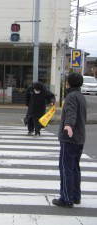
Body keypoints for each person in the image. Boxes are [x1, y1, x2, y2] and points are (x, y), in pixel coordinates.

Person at [52, 73, 87, 208]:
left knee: (66, 168)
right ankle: (76, 196)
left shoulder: (71, 97)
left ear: (68, 83)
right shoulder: (81, 96)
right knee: (75, 168)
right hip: (79, 137)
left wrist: (68, 125)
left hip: (70, 137)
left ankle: (66, 198)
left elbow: (71, 113)